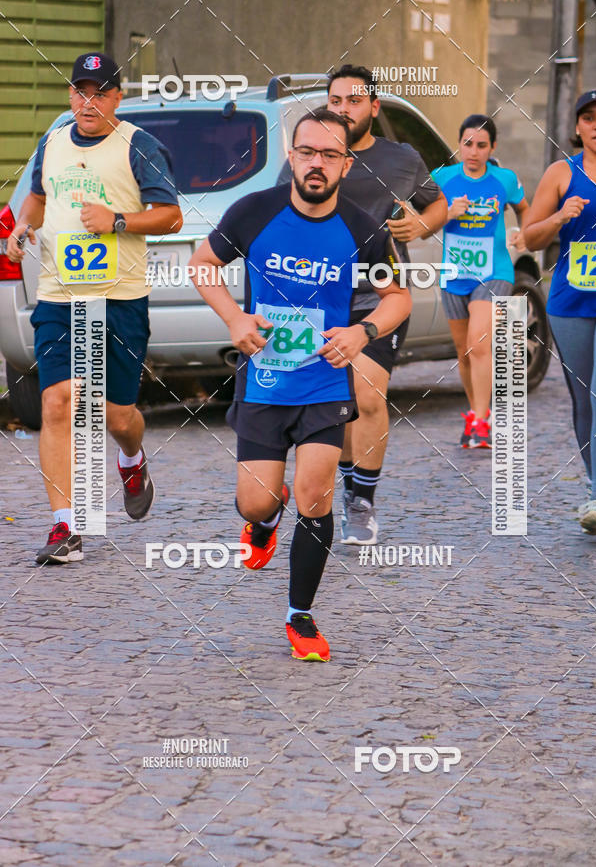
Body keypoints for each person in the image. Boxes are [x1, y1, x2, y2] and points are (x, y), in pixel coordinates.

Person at [189, 108, 411, 661]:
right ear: (292, 156)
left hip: (323, 384)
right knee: (254, 502)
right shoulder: (254, 211)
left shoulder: (362, 227)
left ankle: (300, 616)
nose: (317, 164)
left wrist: (363, 333)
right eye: (307, 152)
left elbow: (400, 298)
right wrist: (235, 321)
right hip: (264, 383)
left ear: (345, 162)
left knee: (315, 495)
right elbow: (202, 265)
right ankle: (266, 516)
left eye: (329, 155)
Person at [7, 52, 182, 564]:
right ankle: (66, 528)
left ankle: (132, 458)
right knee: (58, 400)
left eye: (100, 92)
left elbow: (170, 216)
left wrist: (117, 221)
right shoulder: (53, 141)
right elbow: (36, 199)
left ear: (116, 98)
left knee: (115, 413)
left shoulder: (139, 146)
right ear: (70, 96)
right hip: (61, 294)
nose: (88, 101)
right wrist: (23, 227)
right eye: (80, 91)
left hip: (120, 297)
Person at [278, 65, 447, 544]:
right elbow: (280, 207)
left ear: (374, 107)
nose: (343, 109)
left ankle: (362, 501)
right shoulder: (310, 151)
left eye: (354, 100)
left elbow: (439, 204)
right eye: (336, 100)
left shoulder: (402, 158)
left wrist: (420, 226)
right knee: (337, 405)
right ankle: (340, 488)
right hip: (316, 294)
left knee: (369, 395)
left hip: (380, 290)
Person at [523, 90, 596, 532]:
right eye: (588, 118)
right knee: (584, 400)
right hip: (570, 300)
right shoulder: (560, 173)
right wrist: (560, 218)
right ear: (576, 128)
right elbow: (530, 239)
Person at [432, 114, 529, 448]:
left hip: (494, 271)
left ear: (493, 148)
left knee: (478, 343)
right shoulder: (441, 178)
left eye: (481, 145)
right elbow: (419, 218)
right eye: (467, 144)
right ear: (459, 145)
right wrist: (447, 213)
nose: (473, 152)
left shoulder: (504, 180)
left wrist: (523, 233)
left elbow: (525, 208)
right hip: (453, 274)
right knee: (463, 351)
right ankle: (476, 414)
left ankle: (481, 421)